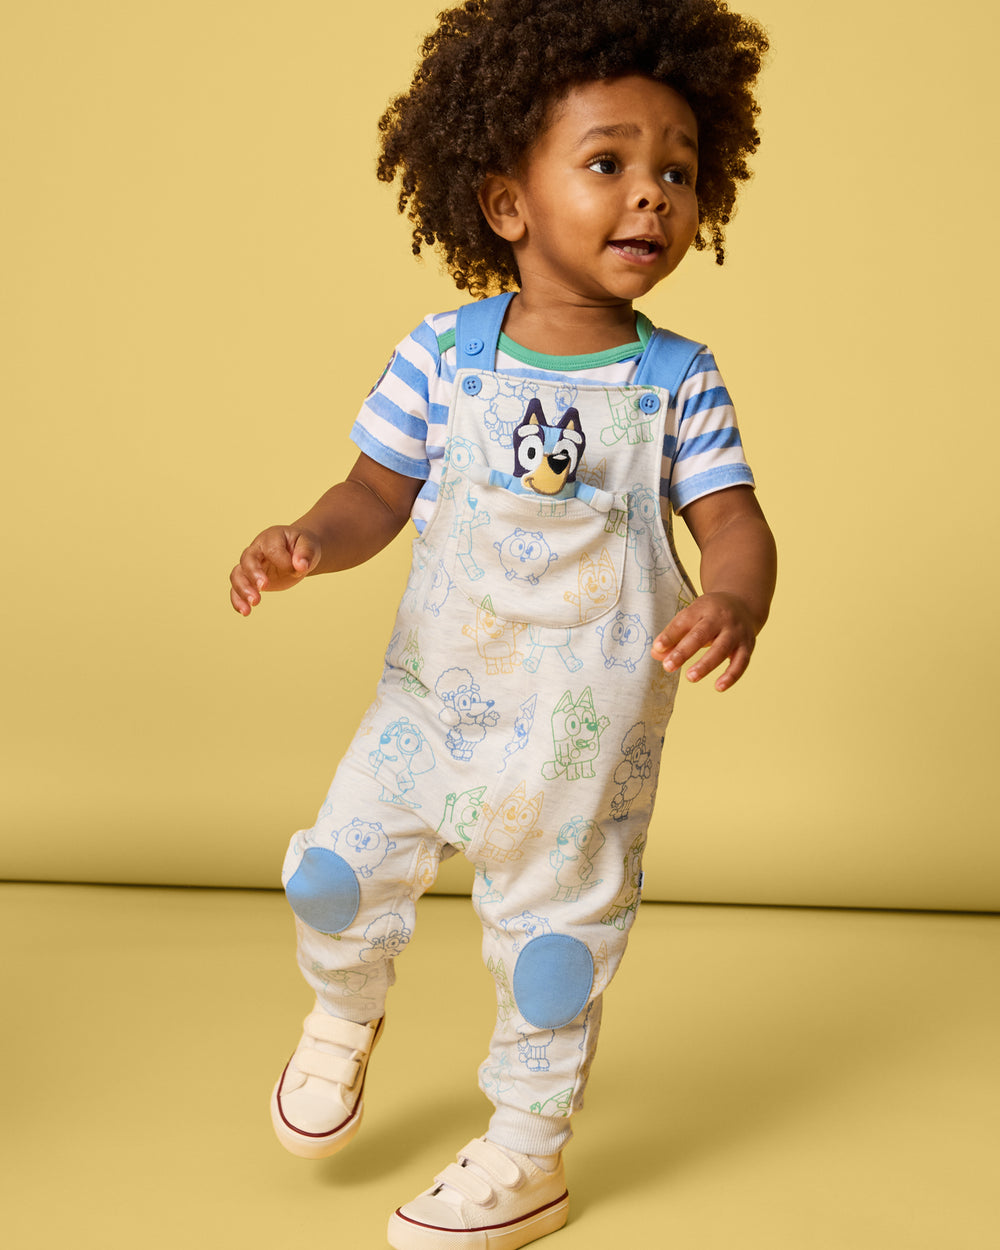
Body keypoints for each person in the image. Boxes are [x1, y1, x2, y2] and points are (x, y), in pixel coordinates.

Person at [229, 2, 775, 1246]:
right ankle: (342, 1008)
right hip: (432, 704)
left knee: (550, 955)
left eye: (676, 171)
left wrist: (735, 596)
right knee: (330, 872)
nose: (650, 196)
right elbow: (374, 491)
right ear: (504, 201)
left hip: (578, 742)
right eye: (607, 163)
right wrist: (309, 539)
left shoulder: (677, 380)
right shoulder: (441, 354)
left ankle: (528, 1153)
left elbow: (733, 523)